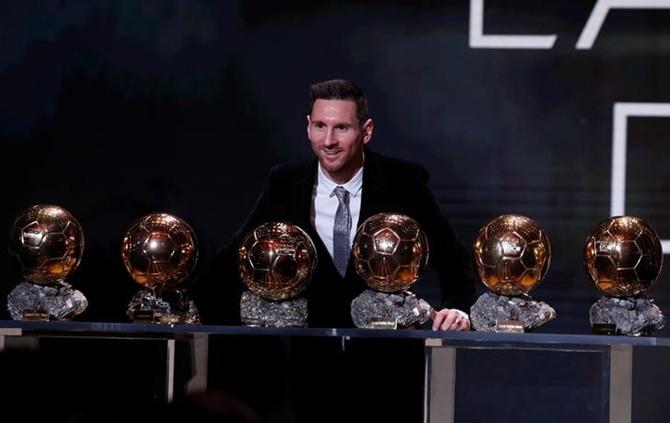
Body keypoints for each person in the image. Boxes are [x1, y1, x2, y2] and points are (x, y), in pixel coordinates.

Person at [193, 79, 477, 422]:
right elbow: (232, 261)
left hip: (390, 375)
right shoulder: (285, 182)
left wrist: (458, 309)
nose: (328, 141)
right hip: (307, 375)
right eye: (320, 126)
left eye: (341, 128)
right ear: (308, 127)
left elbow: (454, 260)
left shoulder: (405, 182)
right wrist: (187, 308)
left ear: (366, 131)